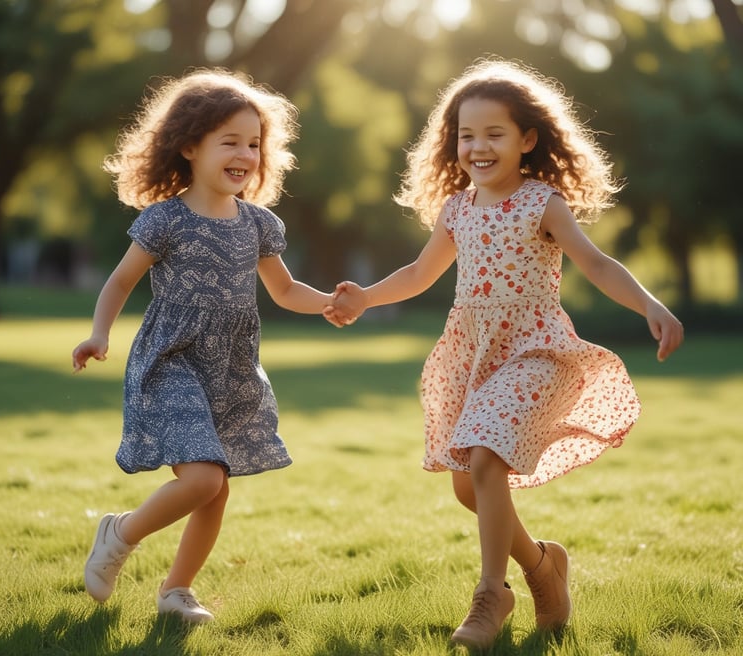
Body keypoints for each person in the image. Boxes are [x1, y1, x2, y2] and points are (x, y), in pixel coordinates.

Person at [324, 57, 683, 648]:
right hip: (474, 354)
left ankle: (491, 596)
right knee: (469, 486)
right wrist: (365, 297)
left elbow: (595, 262)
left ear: (528, 140)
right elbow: (418, 273)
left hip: (535, 350)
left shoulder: (542, 203)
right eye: (467, 135)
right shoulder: (458, 210)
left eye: (494, 133)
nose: (478, 146)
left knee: (488, 460)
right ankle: (544, 569)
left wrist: (649, 304)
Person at [72, 69, 344, 623]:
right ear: (191, 147)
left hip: (232, 369)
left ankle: (176, 592)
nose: (245, 152)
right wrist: (99, 332)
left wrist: (333, 303)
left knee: (214, 492)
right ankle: (119, 533)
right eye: (230, 141)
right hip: (172, 360)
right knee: (204, 479)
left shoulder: (259, 225)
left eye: (254, 143)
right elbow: (121, 281)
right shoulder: (165, 219)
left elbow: (286, 290)